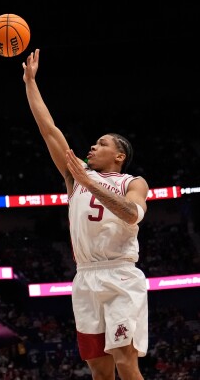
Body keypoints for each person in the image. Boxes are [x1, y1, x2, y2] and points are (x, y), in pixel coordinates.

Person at [22, 48, 149, 380]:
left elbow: (132, 215)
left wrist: (88, 185)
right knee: (99, 369)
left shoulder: (132, 182)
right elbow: (48, 129)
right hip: (85, 277)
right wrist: (30, 83)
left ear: (119, 155)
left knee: (124, 359)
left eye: (101, 143)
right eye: (93, 143)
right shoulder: (76, 174)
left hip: (121, 275)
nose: (92, 147)